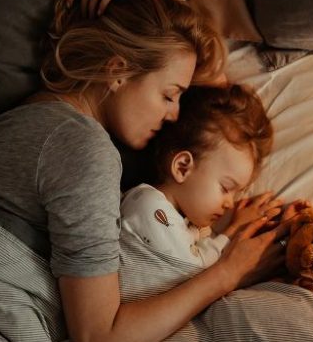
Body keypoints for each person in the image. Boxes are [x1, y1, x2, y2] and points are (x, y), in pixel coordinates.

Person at [0, 0, 291, 342]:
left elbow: (218, 109)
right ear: (117, 70)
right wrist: (228, 273)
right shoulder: (84, 148)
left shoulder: (32, 116)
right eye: (169, 95)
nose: (176, 115)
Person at [121, 83, 293, 267]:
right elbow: (193, 270)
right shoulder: (148, 205)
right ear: (182, 168)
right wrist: (232, 231)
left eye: (237, 193)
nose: (229, 203)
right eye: (226, 188)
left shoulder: (185, 222)